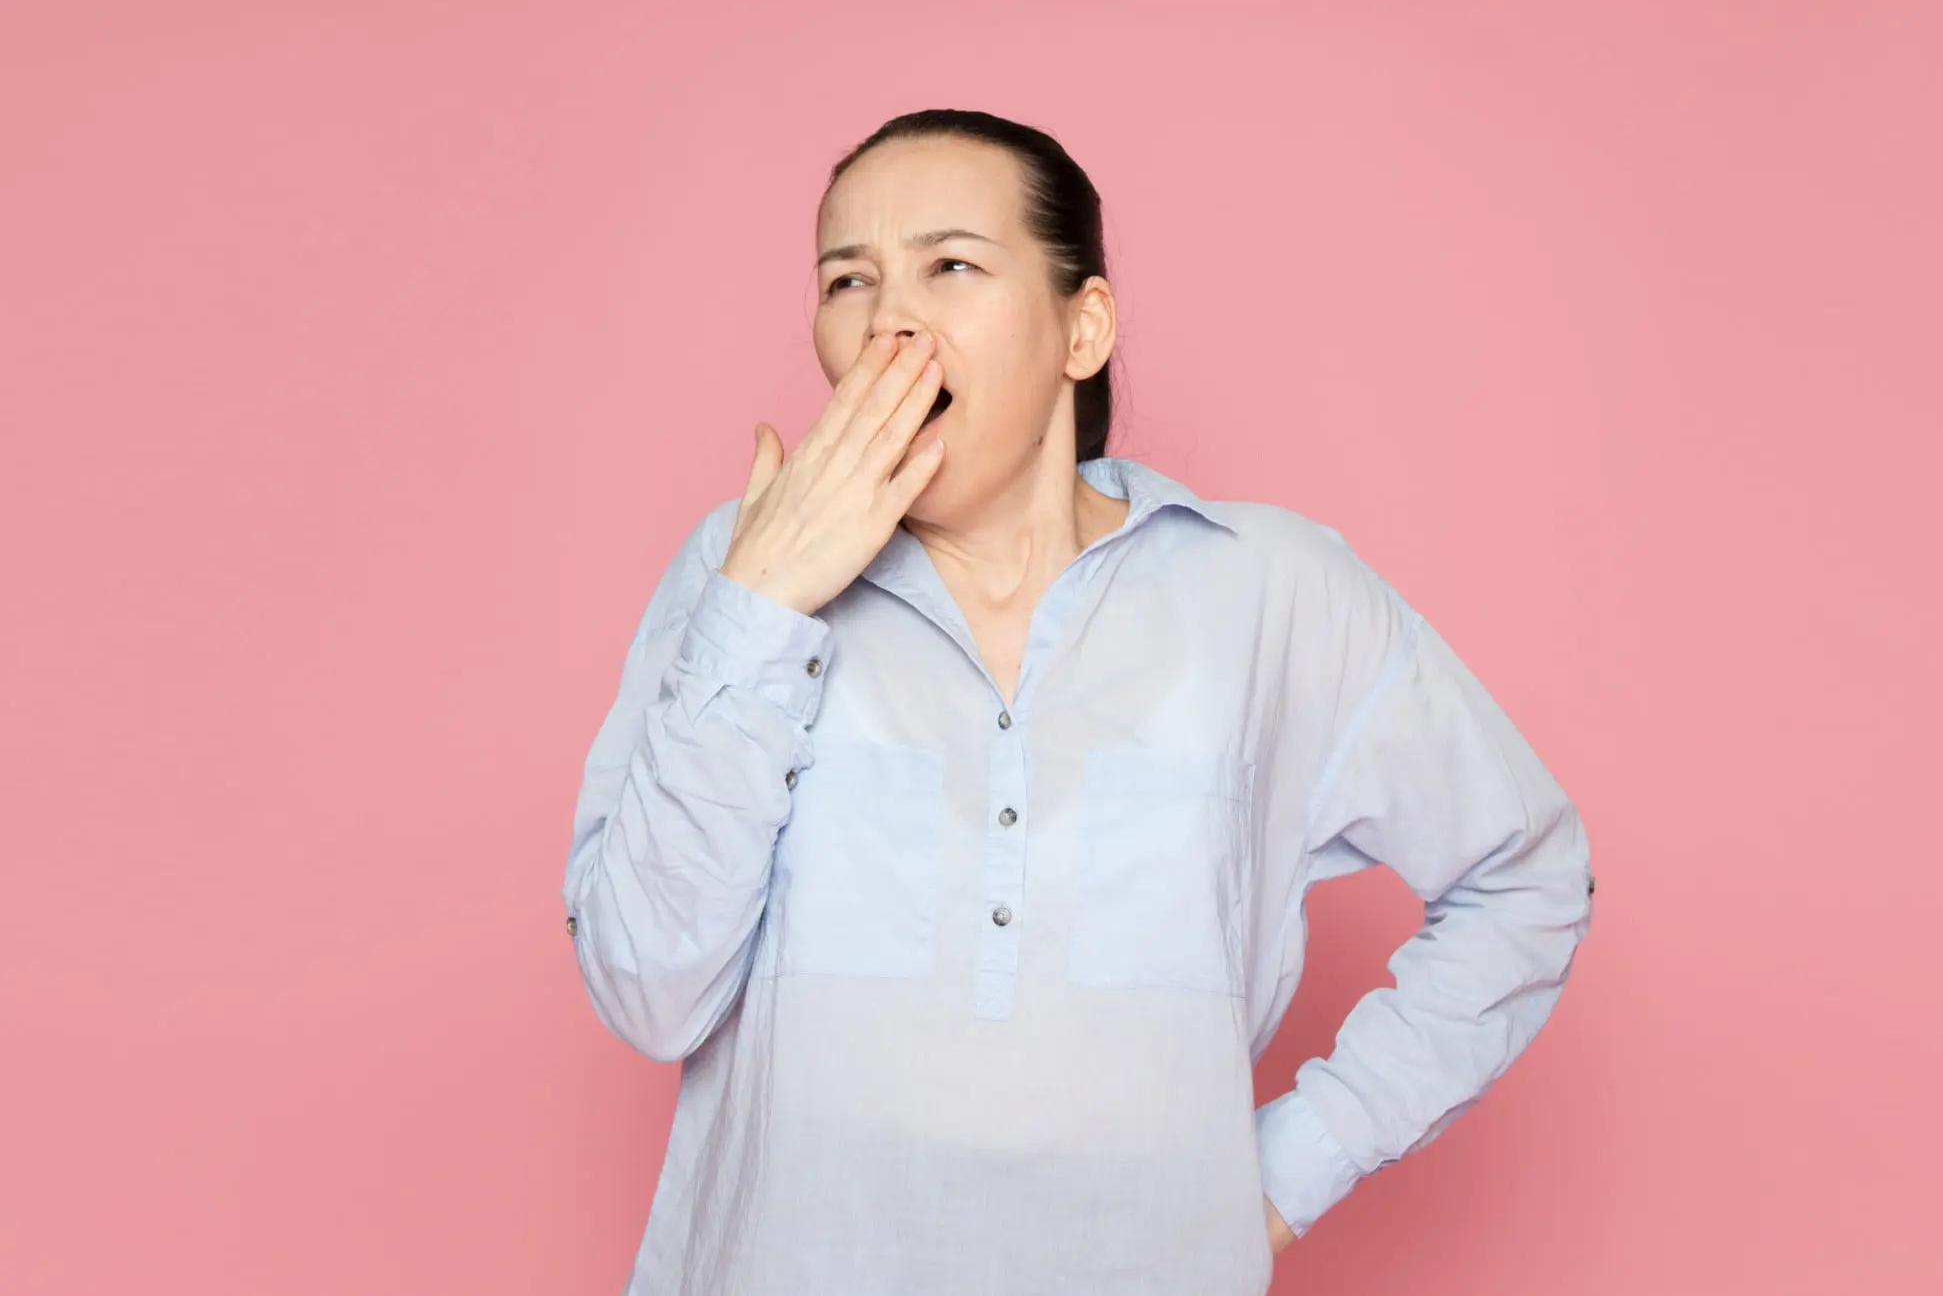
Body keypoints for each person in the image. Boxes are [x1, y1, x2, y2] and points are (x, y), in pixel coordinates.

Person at [561, 108, 1595, 1296]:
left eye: (950, 265)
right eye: (848, 279)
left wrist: (1293, 1165)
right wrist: (764, 604)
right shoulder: (734, 573)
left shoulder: (1269, 592)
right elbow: (646, 989)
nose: (888, 320)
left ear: (1080, 328)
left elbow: (1525, 876)